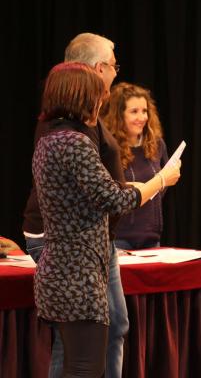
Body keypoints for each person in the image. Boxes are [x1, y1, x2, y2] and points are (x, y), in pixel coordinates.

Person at [32, 62, 180, 377]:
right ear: (81, 97)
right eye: (98, 96)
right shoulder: (75, 143)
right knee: (86, 368)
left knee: (76, 365)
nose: (101, 103)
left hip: (60, 270)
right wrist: (161, 181)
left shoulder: (49, 140)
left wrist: (134, 188)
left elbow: (87, 196)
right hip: (77, 273)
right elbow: (114, 200)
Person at [21, 32, 128, 378]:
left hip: (79, 252)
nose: (113, 77)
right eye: (112, 66)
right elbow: (111, 197)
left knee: (93, 345)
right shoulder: (73, 137)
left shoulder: (61, 135)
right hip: (75, 257)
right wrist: (155, 184)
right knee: (81, 358)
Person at [101, 82, 170, 250]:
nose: (142, 117)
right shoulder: (109, 148)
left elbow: (162, 187)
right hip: (118, 238)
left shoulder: (157, 145)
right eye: (134, 111)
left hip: (151, 237)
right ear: (119, 115)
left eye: (144, 111)